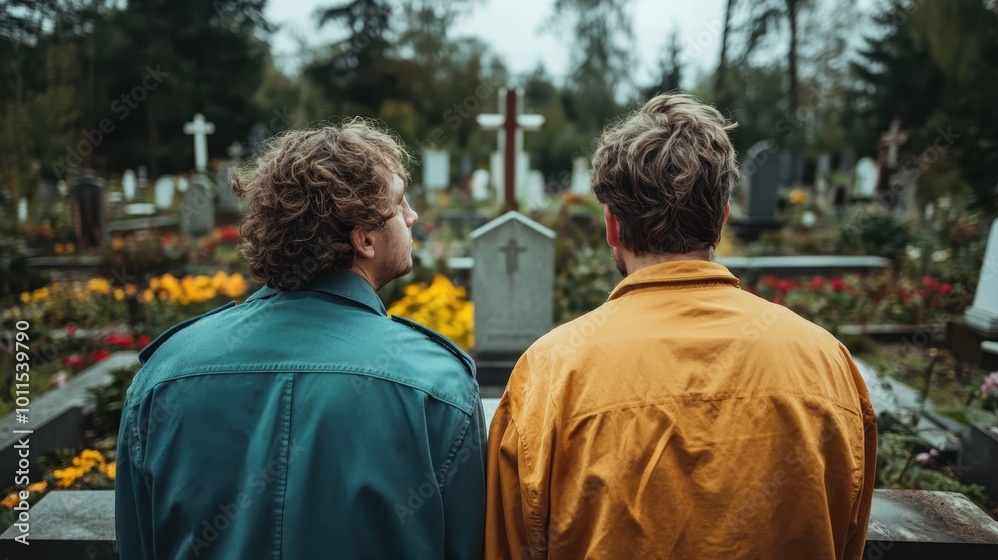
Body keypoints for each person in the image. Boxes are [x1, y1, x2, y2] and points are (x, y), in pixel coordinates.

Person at [484, 94, 877, 560]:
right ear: (722, 220)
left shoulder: (549, 371)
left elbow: (512, 546)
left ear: (611, 225)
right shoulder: (827, 363)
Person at [116, 120, 486, 559]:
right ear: (363, 238)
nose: (412, 216)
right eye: (399, 201)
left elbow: (138, 545)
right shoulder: (436, 383)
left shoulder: (164, 375)